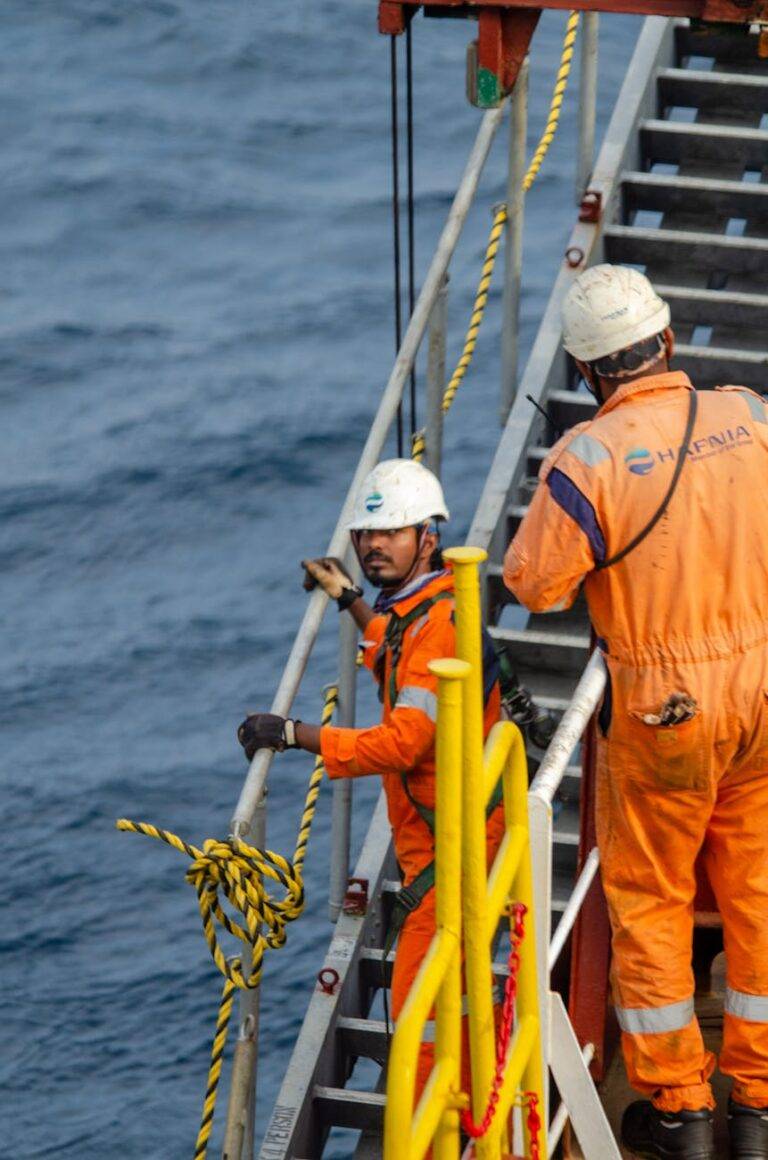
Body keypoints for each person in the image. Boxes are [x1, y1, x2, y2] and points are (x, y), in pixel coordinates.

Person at [503, 263, 768, 1160]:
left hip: (667, 710)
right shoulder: (751, 415)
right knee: (759, 893)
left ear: (588, 373)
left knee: (651, 900)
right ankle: (761, 1104)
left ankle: (683, 1112)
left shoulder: (589, 457)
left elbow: (534, 585)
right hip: (765, 695)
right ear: (667, 341)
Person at [237, 458, 505, 1103]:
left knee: (420, 1016)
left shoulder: (437, 620)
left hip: (453, 847)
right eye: (366, 535)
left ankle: (445, 1128)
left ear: (428, 538)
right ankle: (471, 1103)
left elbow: (403, 741)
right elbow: (399, 646)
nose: (373, 545)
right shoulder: (427, 606)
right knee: (452, 999)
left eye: (392, 533)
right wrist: (348, 598)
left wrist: (294, 733)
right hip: (446, 835)